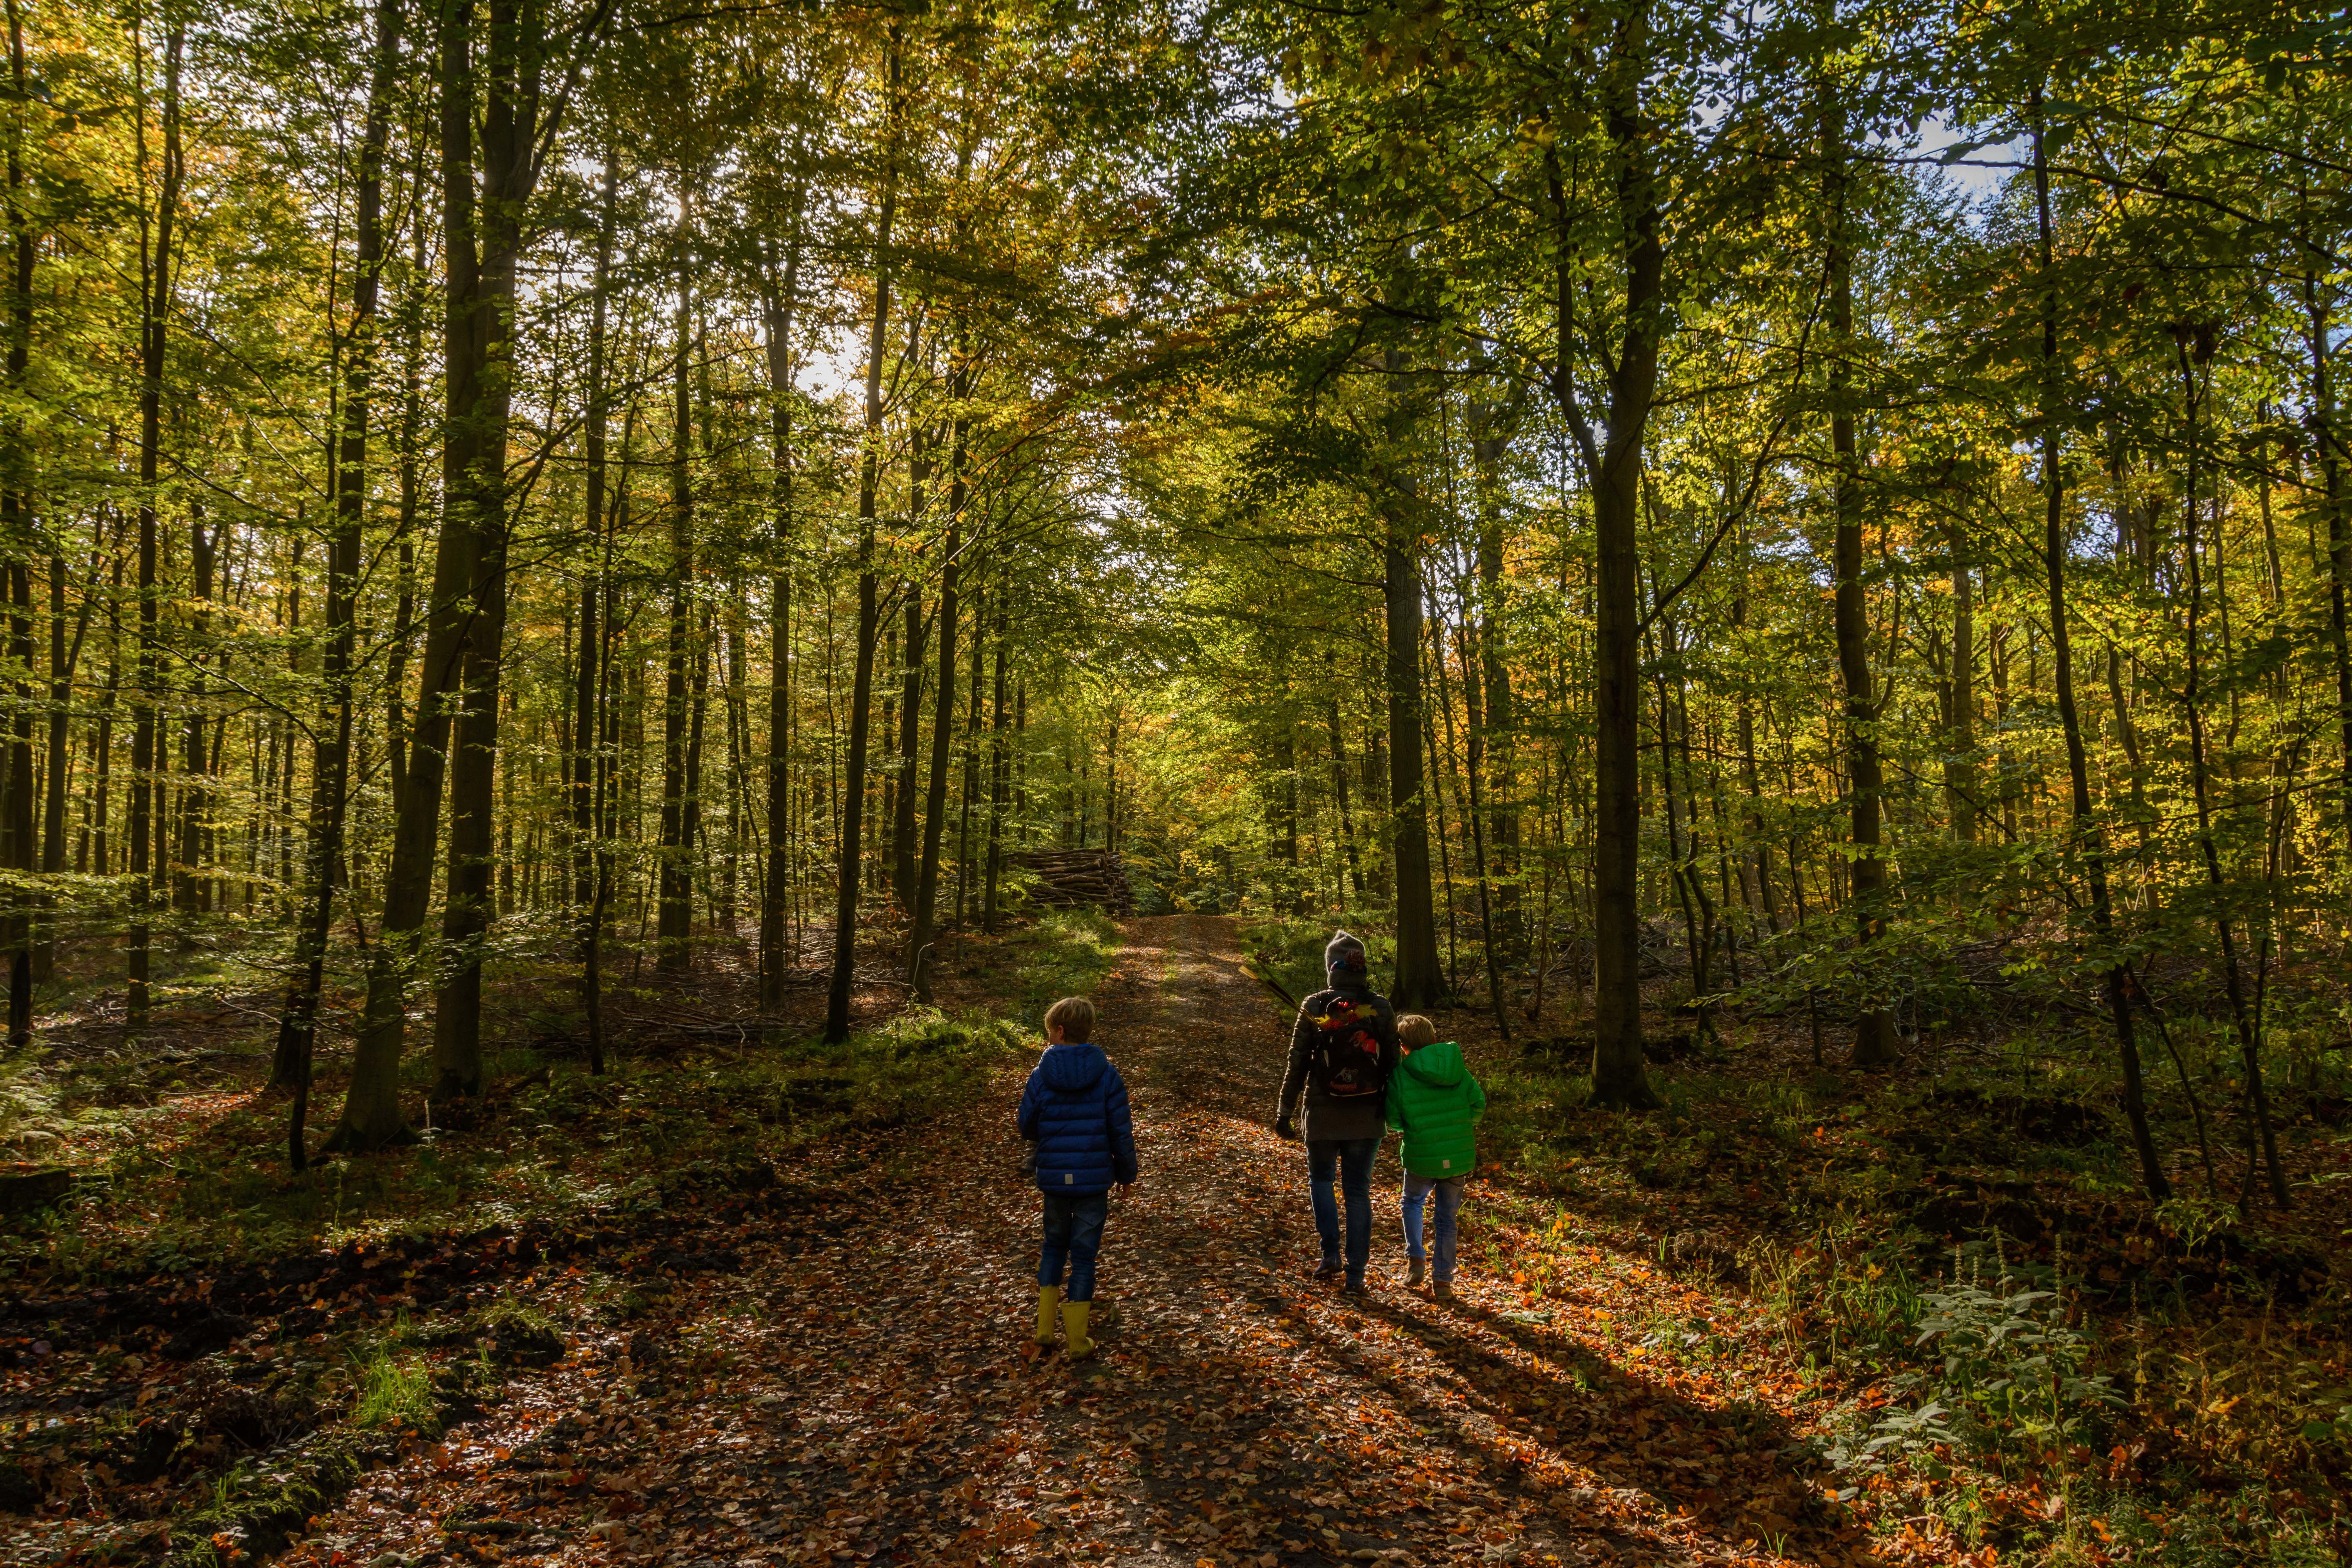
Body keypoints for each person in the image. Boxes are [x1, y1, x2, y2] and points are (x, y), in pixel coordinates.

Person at [1274, 930, 1398, 1296]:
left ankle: (1330, 1255)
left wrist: (1285, 1110)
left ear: (1331, 968)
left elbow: (1297, 1063)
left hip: (1322, 1112)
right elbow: (1393, 1061)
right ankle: (1356, 1274)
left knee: (1322, 1181)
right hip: (1367, 1114)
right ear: (1361, 967)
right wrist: (1393, 1110)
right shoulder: (1380, 1007)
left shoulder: (1315, 1006)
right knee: (1358, 1191)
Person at [1017, 995, 1138, 1359]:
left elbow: (1026, 1125)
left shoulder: (1040, 1076)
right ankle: (1078, 1341)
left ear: (1058, 1031)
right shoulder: (1108, 1075)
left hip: (1055, 1178)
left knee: (1054, 1246)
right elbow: (1121, 1131)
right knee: (1084, 1256)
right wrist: (1127, 1173)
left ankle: (1044, 1330)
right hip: (1094, 1180)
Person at [1385, 1013, 1485, 1300]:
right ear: (1434, 1039)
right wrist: (1462, 1127)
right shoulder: (1458, 1069)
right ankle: (1443, 1282)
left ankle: (1416, 1260)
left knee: (1413, 1202)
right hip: (1457, 1157)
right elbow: (1478, 1103)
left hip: (1422, 1154)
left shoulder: (1401, 1075)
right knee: (1447, 1220)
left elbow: (1393, 1119)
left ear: (1403, 1046)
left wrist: (1414, 1128)